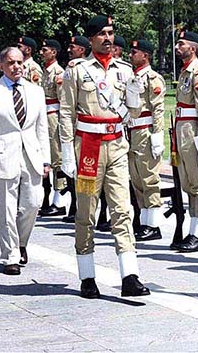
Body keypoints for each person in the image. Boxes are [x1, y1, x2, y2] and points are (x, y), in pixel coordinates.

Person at [59, 15, 150, 298]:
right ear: (90, 39)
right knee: (85, 212)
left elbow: (132, 113)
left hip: (117, 145)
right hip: (88, 148)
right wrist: (65, 153)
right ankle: (87, 275)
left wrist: (134, 99)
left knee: (122, 210)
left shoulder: (124, 71)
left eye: (111, 33)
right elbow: (66, 112)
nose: (108, 39)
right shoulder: (77, 71)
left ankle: (130, 275)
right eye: (101, 34)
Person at [0, 47, 50, 275]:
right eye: (10, 63)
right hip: (2, 156)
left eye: (19, 62)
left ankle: (20, 243)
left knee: (34, 203)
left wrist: (46, 160)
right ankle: (10, 256)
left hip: (31, 155)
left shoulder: (36, 91)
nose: (16, 66)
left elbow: (41, 128)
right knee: (6, 209)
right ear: (1, 66)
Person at [173, 31, 198, 252]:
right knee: (188, 183)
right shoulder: (185, 72)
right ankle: (193, 229)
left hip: (192, 131)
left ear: (193, 47)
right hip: (182, 130)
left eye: (181, 44)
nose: (177, 47)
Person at [126, 39, 166, 241]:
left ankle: (153, 224)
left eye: (135, 52)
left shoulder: (153, 78)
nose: (130, 55)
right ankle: (144, 221)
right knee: (137, 179)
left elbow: (158, 108)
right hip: (133, 131)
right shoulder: (131, 77)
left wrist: (157, 134)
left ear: (145, 55)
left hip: (146, 131)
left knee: (149, 179)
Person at [59, 35, 92, 224]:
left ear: (82, 50)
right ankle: (79, 208)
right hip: (77, 126)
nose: (69, 49)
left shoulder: (79, 69)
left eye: (73, 47)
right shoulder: (72, 69)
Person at [38, 39, 67, 218]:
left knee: (57, 159)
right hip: (44, 116)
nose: (41, 52)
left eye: (45, 50)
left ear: (54, 52)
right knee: (46, 156)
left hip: (54, 117)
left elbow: (63, 102)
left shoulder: (58, 73)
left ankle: (60, 200)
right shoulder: (44, 72)